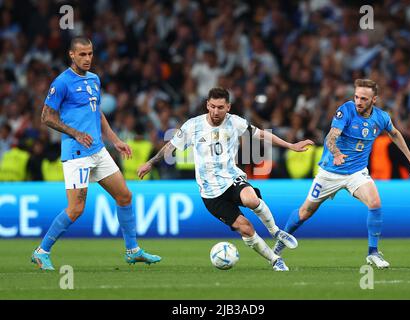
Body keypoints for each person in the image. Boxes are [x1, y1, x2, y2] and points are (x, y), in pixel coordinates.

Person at [137, 87, 314, 271]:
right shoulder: (193, 126)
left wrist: (290, 145)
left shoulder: (235, 122)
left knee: (251, 199)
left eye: (220, 107)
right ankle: (275, 260)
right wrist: (151, 163)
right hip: (211, 193)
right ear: (207, 104)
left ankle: (275, 231)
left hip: (231, 178)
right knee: (246, 228)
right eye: (212, 106)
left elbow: (261, 134)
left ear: (228, 107)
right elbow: (170, 147)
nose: (215, 111)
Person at [31, 36, 161, 270]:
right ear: (72, 55)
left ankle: (132, 251)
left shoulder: (94, 79)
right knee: (76, 209)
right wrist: (75, 132)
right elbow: (46, 116)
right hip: (76, 152)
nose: (88, 58)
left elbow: (97, 113)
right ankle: (41, 252)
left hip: (98, 150)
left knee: (124, 196)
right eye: (82, 54)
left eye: (90, 53)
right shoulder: (62, 82)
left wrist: (116, 140)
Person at [273, 79, 410, 268]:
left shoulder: (381, 117)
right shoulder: (346, 110)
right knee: (305, 213)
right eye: (356, 97)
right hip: (330, 172)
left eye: (363, 98)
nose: (358, 102)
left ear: (374, 100)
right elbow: (331, 136)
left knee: (375, 202)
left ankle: (373, 253)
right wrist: (336, 153)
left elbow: (394, 133)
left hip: (356, 173)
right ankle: (280, 241)